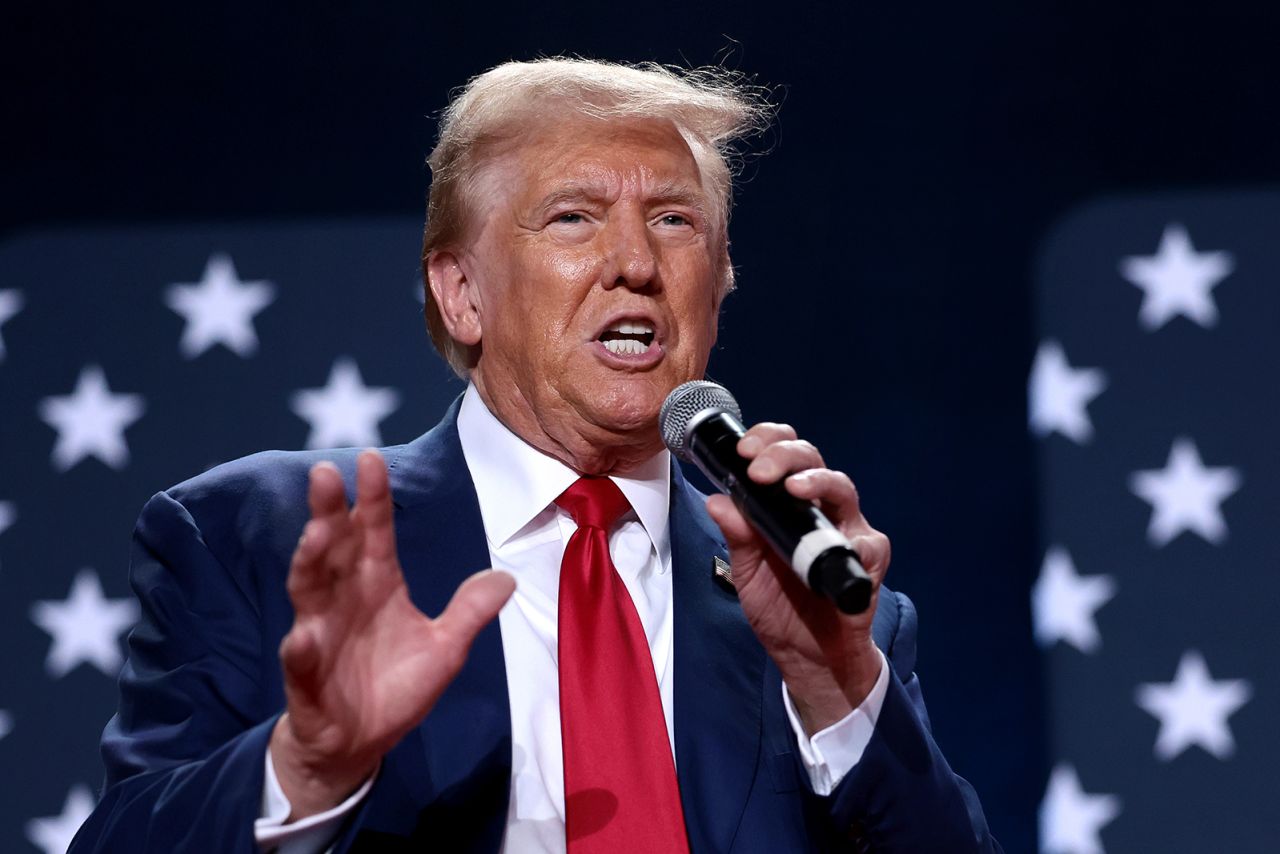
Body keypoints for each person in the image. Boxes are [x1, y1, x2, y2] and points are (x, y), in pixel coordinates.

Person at [72, 58, 1000, 852]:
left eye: (675, 221)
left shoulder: (822, 605)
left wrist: (837, 690)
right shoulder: (262, 536)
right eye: (573, 218)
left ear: (718, 292)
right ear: (461, 293)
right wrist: (306, 766)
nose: (635, 261)